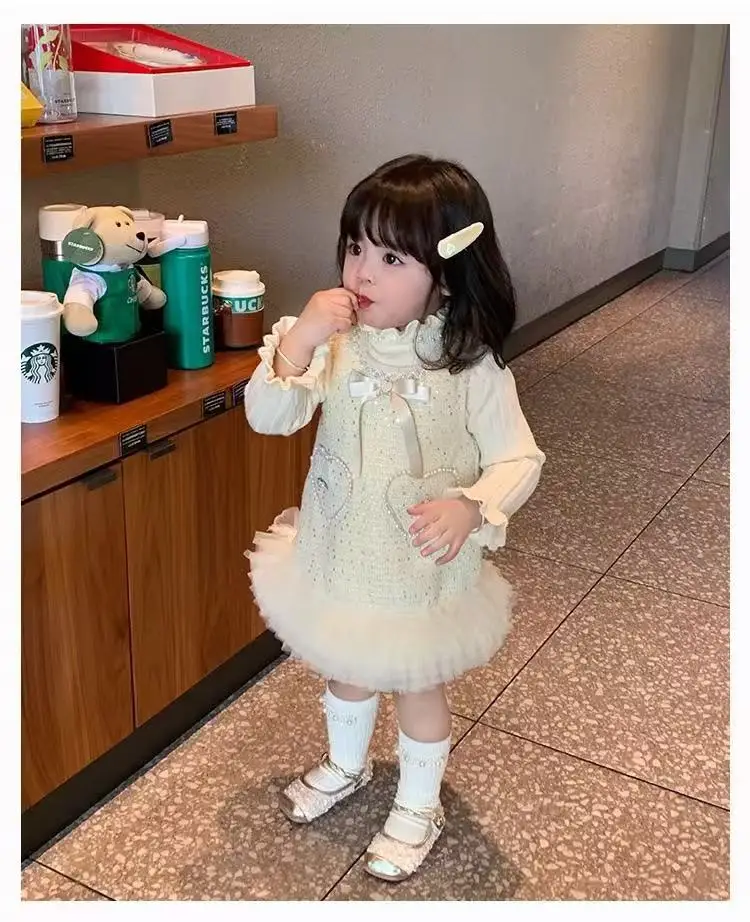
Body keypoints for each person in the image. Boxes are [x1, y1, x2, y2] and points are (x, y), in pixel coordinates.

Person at [244, 154, 545, 882]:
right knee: (346, 665)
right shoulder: (335, 345)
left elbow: (520, 457)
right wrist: (300, 339)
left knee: (416, 682)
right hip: (344, 548)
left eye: (390, 258)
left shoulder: (469, 365)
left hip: (418, 566)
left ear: (446, 274)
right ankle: (346, 764)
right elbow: (269, 416)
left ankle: (418, 803)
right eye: (355, 248)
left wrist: (471, 505)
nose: (362, 273)